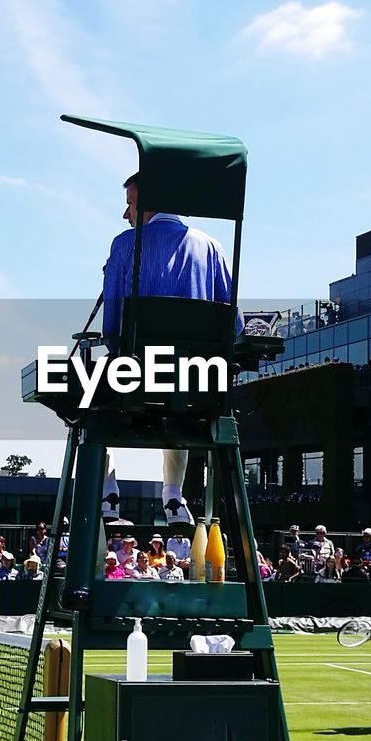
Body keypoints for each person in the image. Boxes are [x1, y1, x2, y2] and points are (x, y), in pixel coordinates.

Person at [100, 169, 240, 526]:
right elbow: (234, 327)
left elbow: (112, 325)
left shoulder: (124, 245)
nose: (125, 214)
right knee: (177, 394)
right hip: (198, 387)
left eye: (130, 204)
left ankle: (107, 489)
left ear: (149, 203)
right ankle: (173, 495)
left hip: (136, 381)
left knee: (75, 398)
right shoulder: (213, 248)